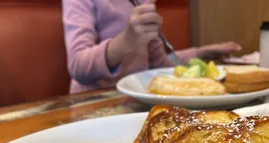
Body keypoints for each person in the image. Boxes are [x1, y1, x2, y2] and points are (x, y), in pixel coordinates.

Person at [63, 0, 241, 94]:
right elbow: (78, 66)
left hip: (137, 98)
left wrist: (202, 52)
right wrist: (127, 40)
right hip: (92, 102)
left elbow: (160, 63)